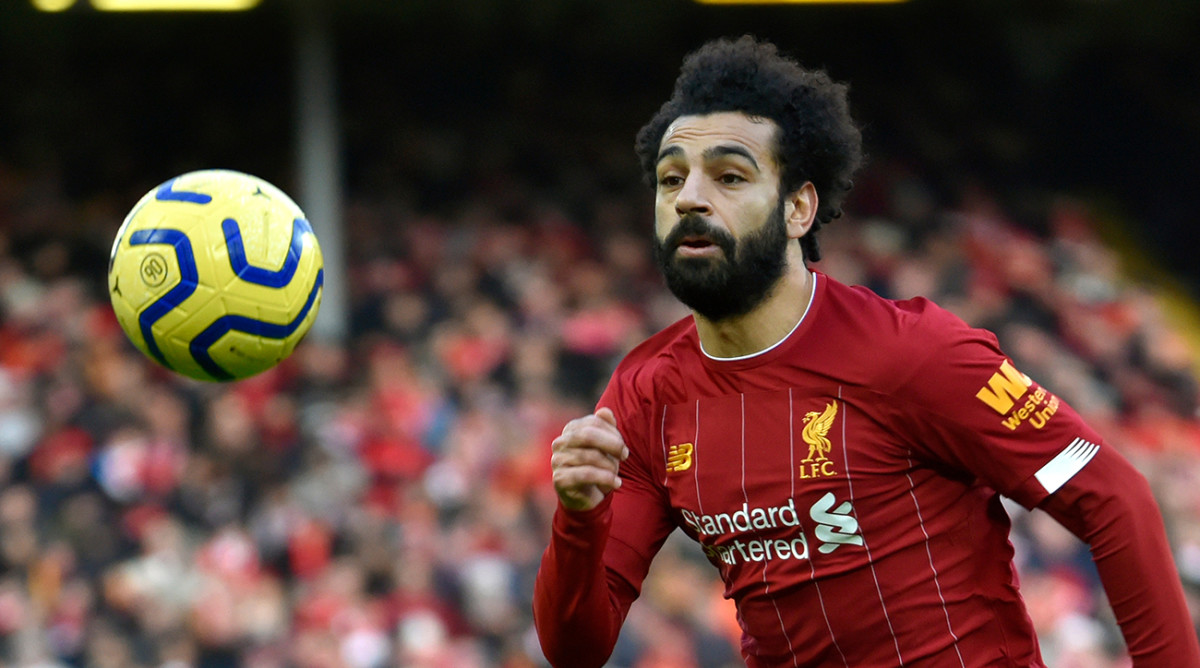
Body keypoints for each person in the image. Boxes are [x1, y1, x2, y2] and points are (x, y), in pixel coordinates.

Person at [532, 35, 1200, 667]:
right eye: (670, 179)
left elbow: (1113, 496)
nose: (690, 199)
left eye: (729, 177)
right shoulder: (646, 393)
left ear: (798, 209)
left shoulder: (912, 354)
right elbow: (576, 650)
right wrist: (580, 521)